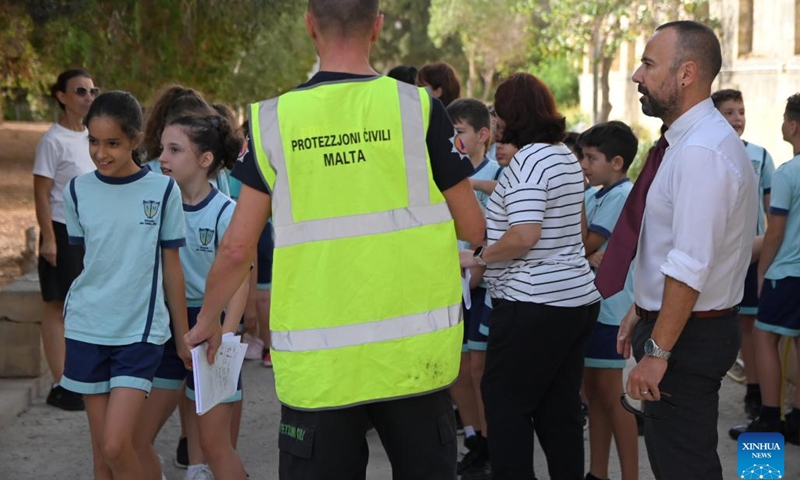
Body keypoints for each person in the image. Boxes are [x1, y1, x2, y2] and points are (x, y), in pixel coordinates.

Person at [185, 1, 486, 479]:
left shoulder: (272, 121)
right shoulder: (418, 110)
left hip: (318, 367)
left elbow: (238, 249)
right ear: (378, 29)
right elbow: (473, 227)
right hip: (413, 361)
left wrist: (207, 320)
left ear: (309, 27)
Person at [604, 21, 757, 480]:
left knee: (684, 467)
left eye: (649, 65)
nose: (637, 75)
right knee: (682, 461)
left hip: (689, 338)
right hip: (686, 327)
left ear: (686, 74)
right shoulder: (688, 142)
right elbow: (675, 245)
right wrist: (643, 304)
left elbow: (691, 263)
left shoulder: (700, 152)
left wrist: (659, 352)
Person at [460, 72, 601, 480]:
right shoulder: (562, 155)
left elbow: (523, 235)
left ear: (511, 114)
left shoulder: (527, 162)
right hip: (575, 300)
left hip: (531, 303)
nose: (496, 118)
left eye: (499, 111)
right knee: (559, 411)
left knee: (505, 408)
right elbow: (574, 228)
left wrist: (478, 257)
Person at [60, 91, 189, 479]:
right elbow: (89, 262)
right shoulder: (77, 191)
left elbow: (172, 268)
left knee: (118, 444)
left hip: (139, 333)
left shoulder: (163, 190)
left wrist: (182, 337)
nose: (101, 153)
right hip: (87, 328)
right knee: (102, 456)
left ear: (135, 140)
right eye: (94, 141)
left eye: (113, 143)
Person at [732, 93, 800, 444]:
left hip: (786, 273)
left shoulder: (788, 172)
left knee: (763, 337)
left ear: (792, 125)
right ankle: (797, 417)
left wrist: (763, 271)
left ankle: (769, 417)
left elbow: (774, 231)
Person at [32, 68, 98, 412]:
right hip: (59, 230)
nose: (88, 97)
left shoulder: (92, 138)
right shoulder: (52, 140)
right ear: (62, 97)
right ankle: (61, 384)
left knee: (80, 307)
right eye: (80, 91)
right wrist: (48, 239)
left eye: (91, 91)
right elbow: (41, 194)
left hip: (87, 234)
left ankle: (78, 377)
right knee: (56, 306)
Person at [577, 121, 639, 480]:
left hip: (613, 309)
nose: (584, 165)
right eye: (583, 156)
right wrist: (584, 255)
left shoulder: (621, 196)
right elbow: (583, 249)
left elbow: (583, 243)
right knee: (595, 394)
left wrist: (582, 254)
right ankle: (597, 472)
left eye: (591, 158)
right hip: (591, 306)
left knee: (615, 399)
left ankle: (630, 474)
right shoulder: (594, 194)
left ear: (617, 162)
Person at [711, 88, 775, 419]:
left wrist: (762, 250)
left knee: (750, 326)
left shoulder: (761, 156)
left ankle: (756, 393)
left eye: (741, 111)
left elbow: (773, 216)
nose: (737, 119)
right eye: (728, 112)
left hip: (750, 257)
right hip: (715, 256)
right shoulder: (707, 154)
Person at [445, 98, 499, 480]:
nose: (454, 139)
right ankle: (472, 437)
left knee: (480, 369)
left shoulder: (497, 173)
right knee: (456, 369)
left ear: (483, 135)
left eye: (460, 132)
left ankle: (490, 440)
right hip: (451, 283)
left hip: (485, 284)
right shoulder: (446, 172)